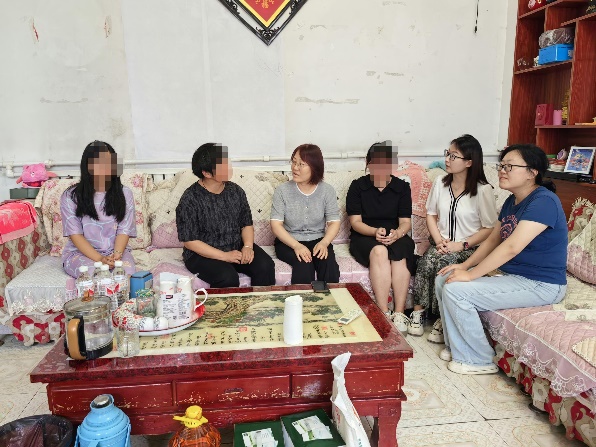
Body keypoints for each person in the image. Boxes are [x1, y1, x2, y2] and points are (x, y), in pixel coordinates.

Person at [435, 144, 568, 375]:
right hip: (514, 276)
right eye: (501, 166)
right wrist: (464, 266)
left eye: (509, 166)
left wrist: (471, 275)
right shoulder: (511, 201)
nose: (502, 171)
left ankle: (478, 359)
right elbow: (493, 240)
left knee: (457, 291)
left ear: (532, 172)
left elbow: (511, 247)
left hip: (541, 283)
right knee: (445, 278)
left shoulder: (544, 201)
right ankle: (456, 347)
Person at [409, 135, 497, 339]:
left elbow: (489, 228)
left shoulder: (483, 190)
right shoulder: (440, 182)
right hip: (441, 242)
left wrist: (461, 244)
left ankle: (443, 318)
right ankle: (418, 313)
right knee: (425, 263)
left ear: (469, 162)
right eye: (447, 154)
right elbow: (431, 214)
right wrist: (439, 240)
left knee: (445, 266)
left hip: (469, 247)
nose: (447, 159)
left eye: (453, 156)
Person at [176, 143, 276, 288]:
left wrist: (248, 246)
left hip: (235, 245)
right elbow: (189, 241)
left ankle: (260, 303)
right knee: (228, 277)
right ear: (207, 173)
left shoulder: (236, 191)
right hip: (201, 254)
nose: (229, 168)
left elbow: (246, 224)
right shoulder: (190, 199)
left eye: (227, 162)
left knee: (265, 266)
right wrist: (224, 256)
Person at [346, 142, 415, 332]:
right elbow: (355, 222)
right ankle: (383, 312)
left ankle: (399, 313)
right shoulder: (358, 186)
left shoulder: (402, 187)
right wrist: (374, 232)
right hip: (365, 234)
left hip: (395, 234)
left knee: (401, 251)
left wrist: (398, 233)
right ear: (368, 163)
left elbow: (405, 222)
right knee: (379, 251)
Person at [61, 141, 136, 277]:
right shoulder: (70, 196)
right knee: (96, 275)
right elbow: (75, 234)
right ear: (88, 165)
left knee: (126, 274)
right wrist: (100, 259)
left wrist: (117, 255)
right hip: (80, 253)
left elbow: (124, 229)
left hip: (115, 252)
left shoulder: (125, 193)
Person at [271, 144, 341, 284]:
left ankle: (330, 298)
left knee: (328, 265)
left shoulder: (327, 191)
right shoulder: (282, 191)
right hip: (289, 242)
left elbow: (334, 222)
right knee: (303, 264)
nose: (295, 168)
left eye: (301, 164)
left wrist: (324, 243)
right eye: (294, 162)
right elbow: (276, 225)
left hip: (319, 240)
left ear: (314, 167)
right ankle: (303, 299)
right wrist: (297, 246)